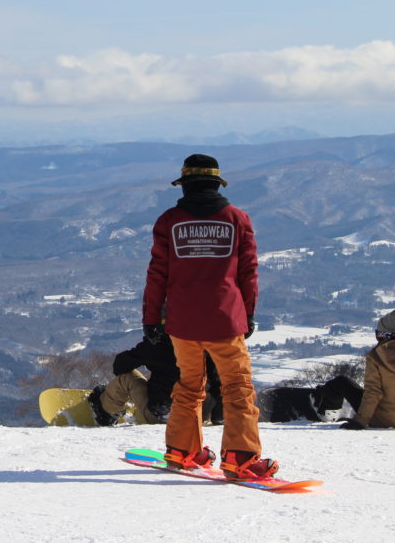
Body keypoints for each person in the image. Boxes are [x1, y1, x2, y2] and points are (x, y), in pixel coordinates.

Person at [142, 154, 279, 480]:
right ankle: (241, 458)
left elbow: (157, 275)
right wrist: (246, 315)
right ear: (217, 183)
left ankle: (182, 451)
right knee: (237, 388)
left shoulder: (169, 221)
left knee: (188, 386)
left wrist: (151, 319)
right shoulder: (236, 219)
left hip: (182, 321)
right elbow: (248, 273)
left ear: (185, 185)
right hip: (224, 319)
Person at [89, 331, 223, 426]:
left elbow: (119, 366)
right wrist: (218, 415)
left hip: (160, 415)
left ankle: (107, 412)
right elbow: (218, 382)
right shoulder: (204, 345)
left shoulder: (158, 344)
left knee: (126, 378)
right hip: (196, 417)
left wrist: (147, 349)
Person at [338, 308, 395, 430]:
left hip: (379, 419)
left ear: (383, 335)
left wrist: (360, 422)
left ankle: (319, 408)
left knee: (341, 382)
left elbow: (373, 392)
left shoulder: (376, 356)